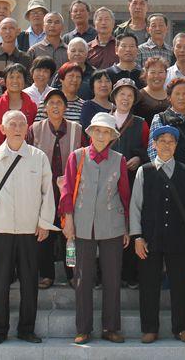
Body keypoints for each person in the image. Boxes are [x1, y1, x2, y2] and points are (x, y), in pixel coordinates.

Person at [0, 110, 58, 346]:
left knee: (29, 282)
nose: (17, 128)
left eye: (21, 124)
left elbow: (48, 192)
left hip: (30, 230)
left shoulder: (38, 157)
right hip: (1, 229)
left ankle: (27, 329)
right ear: (2, 129)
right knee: (0, 283)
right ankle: (0, 329)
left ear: (27, 128)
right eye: (12, 124)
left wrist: (45, 222)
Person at [131, 125, 185, 344]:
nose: (166, 145)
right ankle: (149, 328)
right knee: (148, 284)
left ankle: (182, 328)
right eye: (162, 141)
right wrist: (137, 236)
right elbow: (135, 206)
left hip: (178, 237)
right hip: (150, 238)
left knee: (181, 283)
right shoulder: (144, 171)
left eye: (171, 141)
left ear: (176, 146)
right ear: (154, 144)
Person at [60, 112, 131, 345]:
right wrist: (68, 219)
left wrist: (127, 227)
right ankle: (83, 328)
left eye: (106, 132)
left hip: (112, 224)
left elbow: (125, 194)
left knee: (112, 277)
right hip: (82, 223)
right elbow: (67, 190)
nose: (101, 135)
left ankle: (111, 327)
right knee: (83, 278)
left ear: (112, 136)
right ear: (90, 132)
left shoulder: (119, 159)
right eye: (97, 130)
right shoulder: (77, 156)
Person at [27, 89, 82, 289]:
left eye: (59, 102)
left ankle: (72, 273)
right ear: (45, 108)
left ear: (66, 107)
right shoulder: (35, 129)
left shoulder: (77, 129)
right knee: (45, 233)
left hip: (70, 192)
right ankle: (46, 274)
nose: (56, 106)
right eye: (51, 103)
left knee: (70, 236)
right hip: (44, 191)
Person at [109, 79, 150, 289]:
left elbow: (149, 149)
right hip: (106, 182)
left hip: (133, 180)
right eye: (121, 94)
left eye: (130, 95)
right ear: (114, 97)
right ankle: (107, 274)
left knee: (132, 223)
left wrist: (139, 158)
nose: (125, 98)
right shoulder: (104, 120)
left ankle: (130, 273)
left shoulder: (141, 123)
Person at [147, 78, 185, 167]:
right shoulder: (160, 118)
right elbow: (153, 150)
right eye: (177, 94)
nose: (181, 97)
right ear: (169, 97)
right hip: (168, 171)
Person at [0, 63, 38, 148]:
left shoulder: (31, 105)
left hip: (25, 151)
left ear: (24, 81)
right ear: (5, 81)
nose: (15, 80)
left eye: (19, 77)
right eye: (11, 77)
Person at [0, 17, 32, 97]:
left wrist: (10, 83)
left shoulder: (25, 58)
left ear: (18, 31)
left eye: (11, 28)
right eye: (4, 28)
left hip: (18, 101)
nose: (8, 31)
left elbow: (30, 83)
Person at [133, 56, 170, 123]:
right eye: (153, 72)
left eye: (160, 72)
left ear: (166, 74)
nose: (156, 76)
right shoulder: (138, 96)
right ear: (146, 74)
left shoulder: (171, 95)